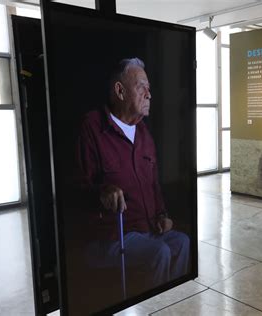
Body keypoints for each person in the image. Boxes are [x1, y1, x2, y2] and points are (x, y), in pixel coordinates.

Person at [75, 57, 190, 290]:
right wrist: (102, 192)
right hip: (111, 236)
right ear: (120, 91)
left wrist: (162, 215)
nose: (149, 94)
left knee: (183, 242)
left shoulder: (144, 134)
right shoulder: (92, 126)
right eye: (141, 87)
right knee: (160, 252)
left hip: (148, 230)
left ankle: (169, 304)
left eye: (149, 88)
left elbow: (154, 185)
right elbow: (76, 189)